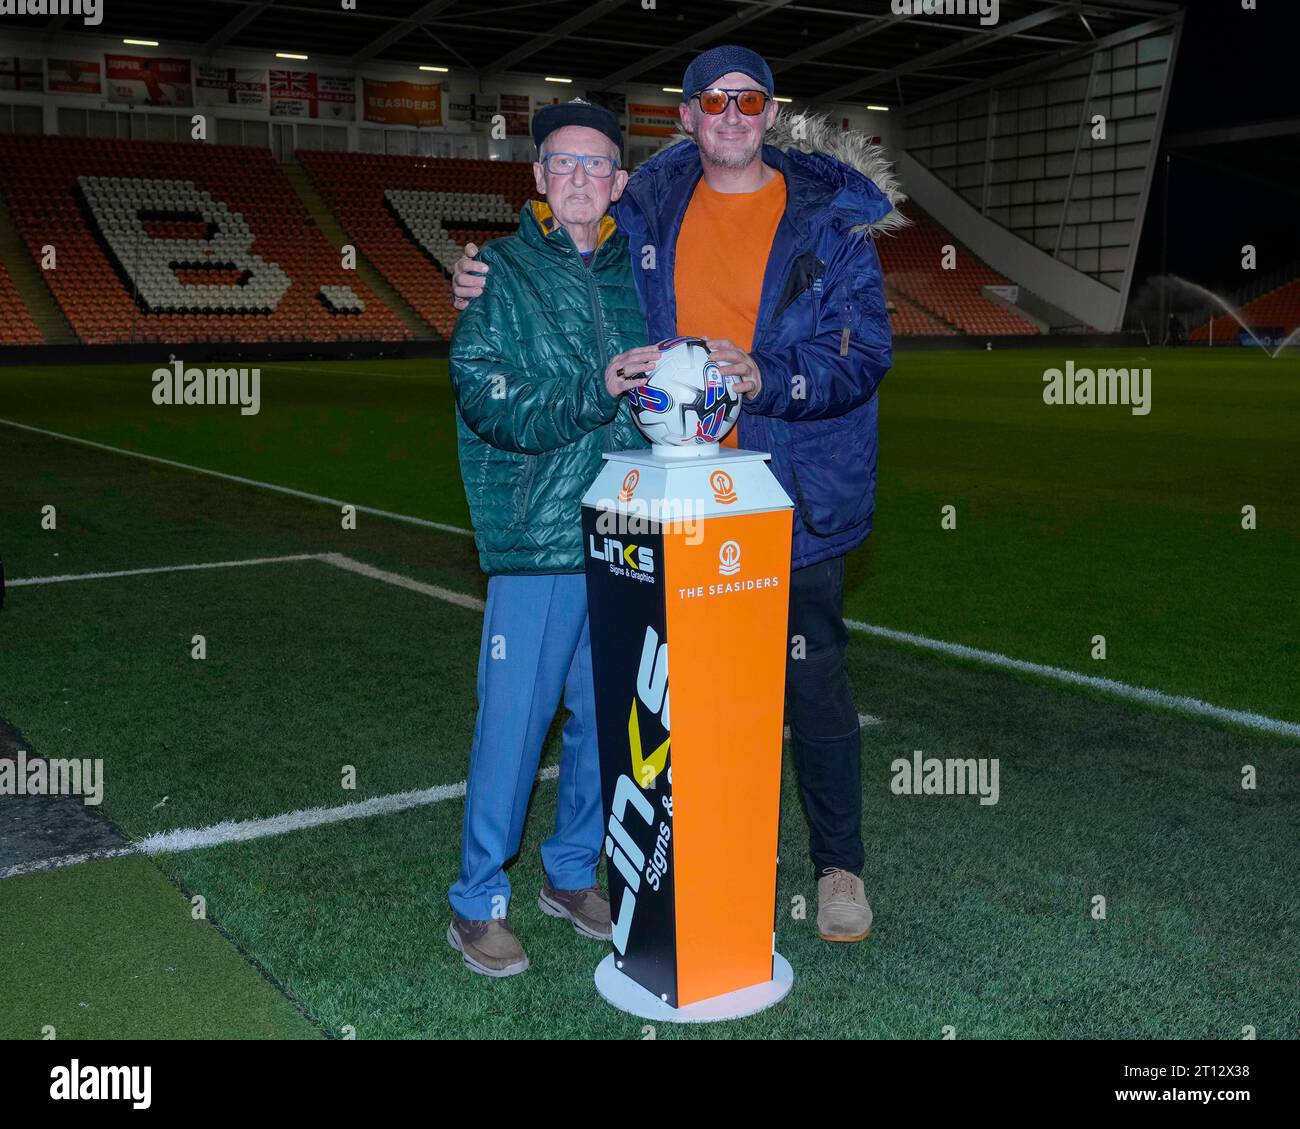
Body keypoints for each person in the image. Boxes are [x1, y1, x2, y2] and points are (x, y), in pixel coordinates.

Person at [453, 46, 903, 944]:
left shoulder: (823, 224)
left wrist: (767, 376)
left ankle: (835, 866)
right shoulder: (641, 211)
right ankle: (527, 888)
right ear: (689, 117)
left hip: (789, 491)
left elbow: (865, 354)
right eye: (711, 100)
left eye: (748, 100)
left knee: (802, 688)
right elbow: (531, 310)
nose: (730, 114)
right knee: (647, 705)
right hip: (651, 509)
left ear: (769, 113)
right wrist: (474, 280)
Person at [446, 98, 670, 977]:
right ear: (538, 177)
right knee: (515, 721)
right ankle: (476, 901)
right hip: (538, 538)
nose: (579, 178)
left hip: (622, 533)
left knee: (607, 724)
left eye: (596, 165)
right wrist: (596, 386)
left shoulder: (640, 275)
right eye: (562, 163)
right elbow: (486, 399)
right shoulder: (495, 273)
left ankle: (573, 872)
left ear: (619, 182)